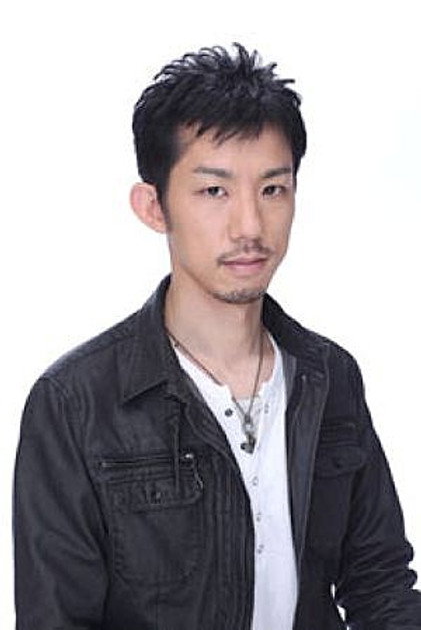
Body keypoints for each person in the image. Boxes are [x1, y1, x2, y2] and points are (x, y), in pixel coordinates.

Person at [13, 43, 421, 630]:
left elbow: (380, 584)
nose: (250, 226)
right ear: (153, 206)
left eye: (273, 189)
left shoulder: (329, 376)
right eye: (214, 191)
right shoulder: (76, 403)